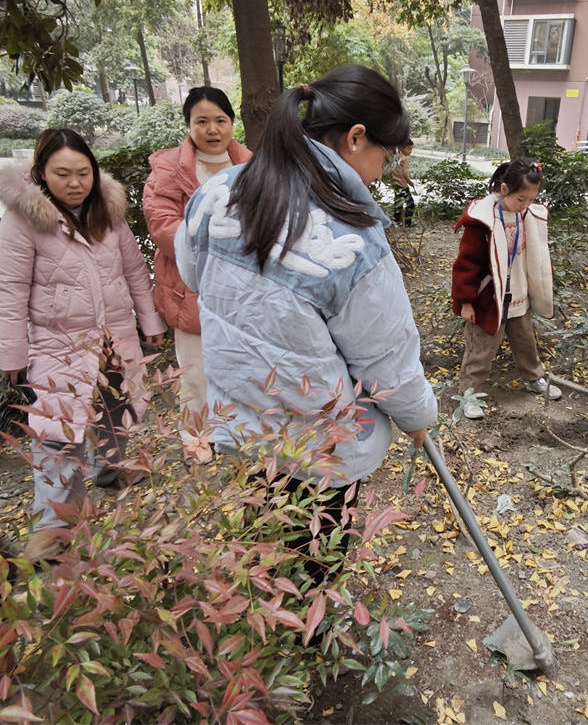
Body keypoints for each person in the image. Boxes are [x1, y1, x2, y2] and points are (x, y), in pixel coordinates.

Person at [174, 66, 437, 566]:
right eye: (388, 155)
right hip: (321, 442)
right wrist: (419, 417)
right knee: (314, 556)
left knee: (266, 537)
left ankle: (270, 626)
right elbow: (387, 361)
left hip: (246, 421)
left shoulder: (218, 192)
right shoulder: (351, 237)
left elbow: (193, 273)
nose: (383, 172)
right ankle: (308, 637)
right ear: (357, 138)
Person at [0, 128, 166, 560]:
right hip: (59, 343)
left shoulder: (109, 211)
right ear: (40, 173)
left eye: (83, 172)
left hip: (114, 334)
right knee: (57, 431)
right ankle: (54, 525)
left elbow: (134, 271)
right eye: (62, 173)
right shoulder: (23, 220)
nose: (74, 183)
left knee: (118, 408)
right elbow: (8, 288)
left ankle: (111, 470)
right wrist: (11, 351)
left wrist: (150, 321)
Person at [143, 87, 252, 461]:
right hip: (190, 288)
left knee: (242, 363)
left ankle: (236, 431)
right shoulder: (169, 170)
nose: (212, 129)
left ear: (232, 123)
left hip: (242, 288)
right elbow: (161, 224)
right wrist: (217, 245)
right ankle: (197, 439)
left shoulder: (253, 166)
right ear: (188, 125)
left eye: (220, 120)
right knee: (195, 371)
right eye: (201, 121)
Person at [451, 159, 560, 420]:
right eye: (521, 199)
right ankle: (469, 394)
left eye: (531, 200)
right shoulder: (482, 220)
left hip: (517, 294)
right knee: (481, 349)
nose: (525, 205)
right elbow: (467, 264)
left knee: (526, 342)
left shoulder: (526, 216)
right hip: (489, 298)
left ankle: (534, 379)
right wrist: (466, 302)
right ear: (503, 189)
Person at [389, 139, 415, 226]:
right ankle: (408, 222)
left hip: (395, 183)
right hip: (402, 185)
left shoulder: (396, 157)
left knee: (398, 203)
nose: (410, 151)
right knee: (411, 204)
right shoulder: (405, 159)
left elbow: (391, 170)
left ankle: (397, 220)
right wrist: (410, 182)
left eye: (411, 149)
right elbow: (405, 173)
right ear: (401, 148)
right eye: (409, 149)